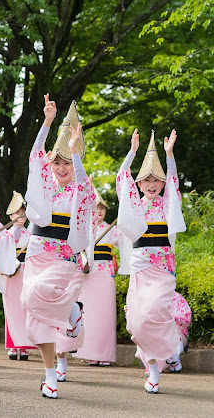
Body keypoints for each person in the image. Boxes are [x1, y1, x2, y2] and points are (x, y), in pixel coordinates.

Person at [21, 97, 94, 399]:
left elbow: (86, 187)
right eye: (58, 162)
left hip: (62, 257)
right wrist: (48, 122)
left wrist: (75, 154)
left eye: (67, 163)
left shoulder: (79, 189)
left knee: (38, 291)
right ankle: (50, 375)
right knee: (32, 312)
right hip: (37, 252)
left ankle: (70, 311)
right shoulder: (44, 185)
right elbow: (35, 155)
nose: (61, 167)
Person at [117, 129, 185, 394]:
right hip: (140, 268)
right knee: (136, 322)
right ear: (140, 183)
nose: (152, 183)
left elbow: (174, 181)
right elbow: (121, 178)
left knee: (154, 311)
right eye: (146, 179)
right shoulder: (133, 204)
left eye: (157, 179)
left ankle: (169, 348)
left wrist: (169, 156)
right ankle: (154, 368)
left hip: (163, 269)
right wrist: (132, 152)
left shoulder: (168, 202)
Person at [73, 190, 127, 366]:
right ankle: (90, 353)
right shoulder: (83, 229)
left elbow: (127, 240)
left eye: (102, 209)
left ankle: (104, 354)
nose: (99, 212)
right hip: (88, 276)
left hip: (105, 276)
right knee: (89, 315)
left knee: (105, 315)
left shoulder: (113, 230)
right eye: (96, 209)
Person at [0, 192, 36, 361]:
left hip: (26, 273)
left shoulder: (31, 235)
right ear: (11, 215)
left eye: (22, 213)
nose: (20, 217)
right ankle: (13, 346)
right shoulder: (6, 234)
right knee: (12, 309)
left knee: (25, 308)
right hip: (12, 274)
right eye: (16, 213)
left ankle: (25, 346)